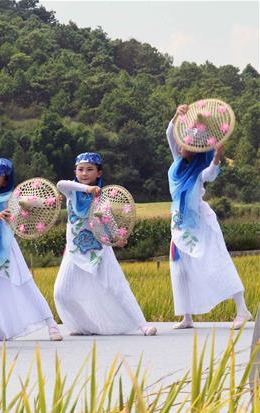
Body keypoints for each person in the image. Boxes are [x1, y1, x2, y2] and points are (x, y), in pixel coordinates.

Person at [166, 104, 251, 330]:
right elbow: (169, 133)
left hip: (201, 221)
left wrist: (218, 155)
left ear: (196, 149)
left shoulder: (199, 171)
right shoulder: (176, 163)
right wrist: (177, 114)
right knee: (180, 268)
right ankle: (187, 317)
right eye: (182, 142)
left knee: (216, 260)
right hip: (179, 222)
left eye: (188, 144)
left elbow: (211, 174)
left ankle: (242, 310)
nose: (182, 146)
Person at [53, 153, 156, 336]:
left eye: (89, 169)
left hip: (99, 250)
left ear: (99, 173)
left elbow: (108, 220)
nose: (84, 173)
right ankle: (85, 326)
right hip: (74, 250)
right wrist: (87, 189)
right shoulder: (71, 192)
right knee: (61, 292)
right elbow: (61, 184)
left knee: (117, 287)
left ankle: (142, 325)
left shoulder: (102, 198)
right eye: (80, 169)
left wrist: (118, 237)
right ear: (75, 172)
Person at [0, 157, 63, 341]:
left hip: (5, 251)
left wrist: (50, 201)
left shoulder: (10, 198)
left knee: (24, 285)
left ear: (4, 182)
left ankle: (51, 324)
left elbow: (30, 202)